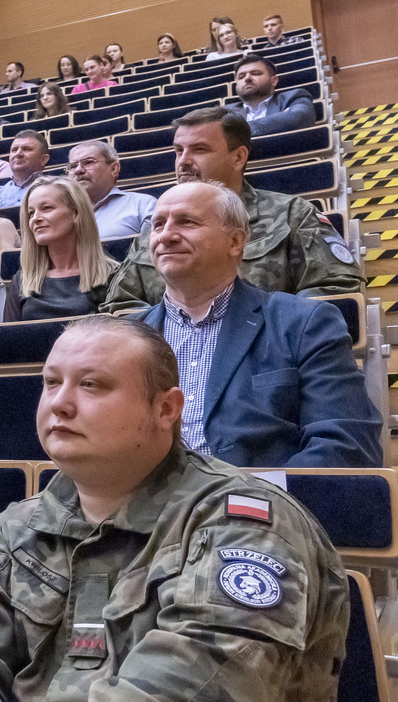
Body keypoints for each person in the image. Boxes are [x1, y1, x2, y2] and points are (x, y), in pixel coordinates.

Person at [0, 314, 349, 702]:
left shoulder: (242, 524)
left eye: (92, 385)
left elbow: (210, 688)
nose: (60, 403)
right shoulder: (17, 526)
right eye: (51, 383)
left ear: (165, 409)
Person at [135, 182, 380, 467]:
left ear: (235, 241)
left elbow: (346, 444)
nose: (166, 236)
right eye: (158, 225)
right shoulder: (126, 338)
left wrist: (255, 494)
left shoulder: (304, 323)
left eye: (187, 222)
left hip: (261, 492)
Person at [103, 107, 363, 311]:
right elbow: (119, 305)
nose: (183, 161)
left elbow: (337, 289)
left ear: (238, 157)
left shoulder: (292, 215)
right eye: (179, 151)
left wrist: (266, 327)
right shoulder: (154, 229)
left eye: (199, 150)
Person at [3, 176, 116, 322]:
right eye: (31, 213)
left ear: (76, 213)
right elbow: (9, 335)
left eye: (46, 208)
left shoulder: (112, 275)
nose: (35, 218)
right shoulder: (22, 280)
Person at [64, 139, 154, 243]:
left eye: (88, 162)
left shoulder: (143, 205)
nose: (78, 170)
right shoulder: (59, 213)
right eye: (73, 166)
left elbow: (149, 250)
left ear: (114, 169)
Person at [226, 54, 313, 135]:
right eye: (241, 77)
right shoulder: (225, 112)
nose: (247, 78)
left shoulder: (293, 97)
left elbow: (299, 118)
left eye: (256, 73)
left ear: (274, 81)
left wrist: (232, 131)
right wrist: (281, 120)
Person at [0, 130, 50, 209]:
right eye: (14, 150)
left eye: (26, 149)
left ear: (43, 159)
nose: (18, 154)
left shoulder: (55, 189)